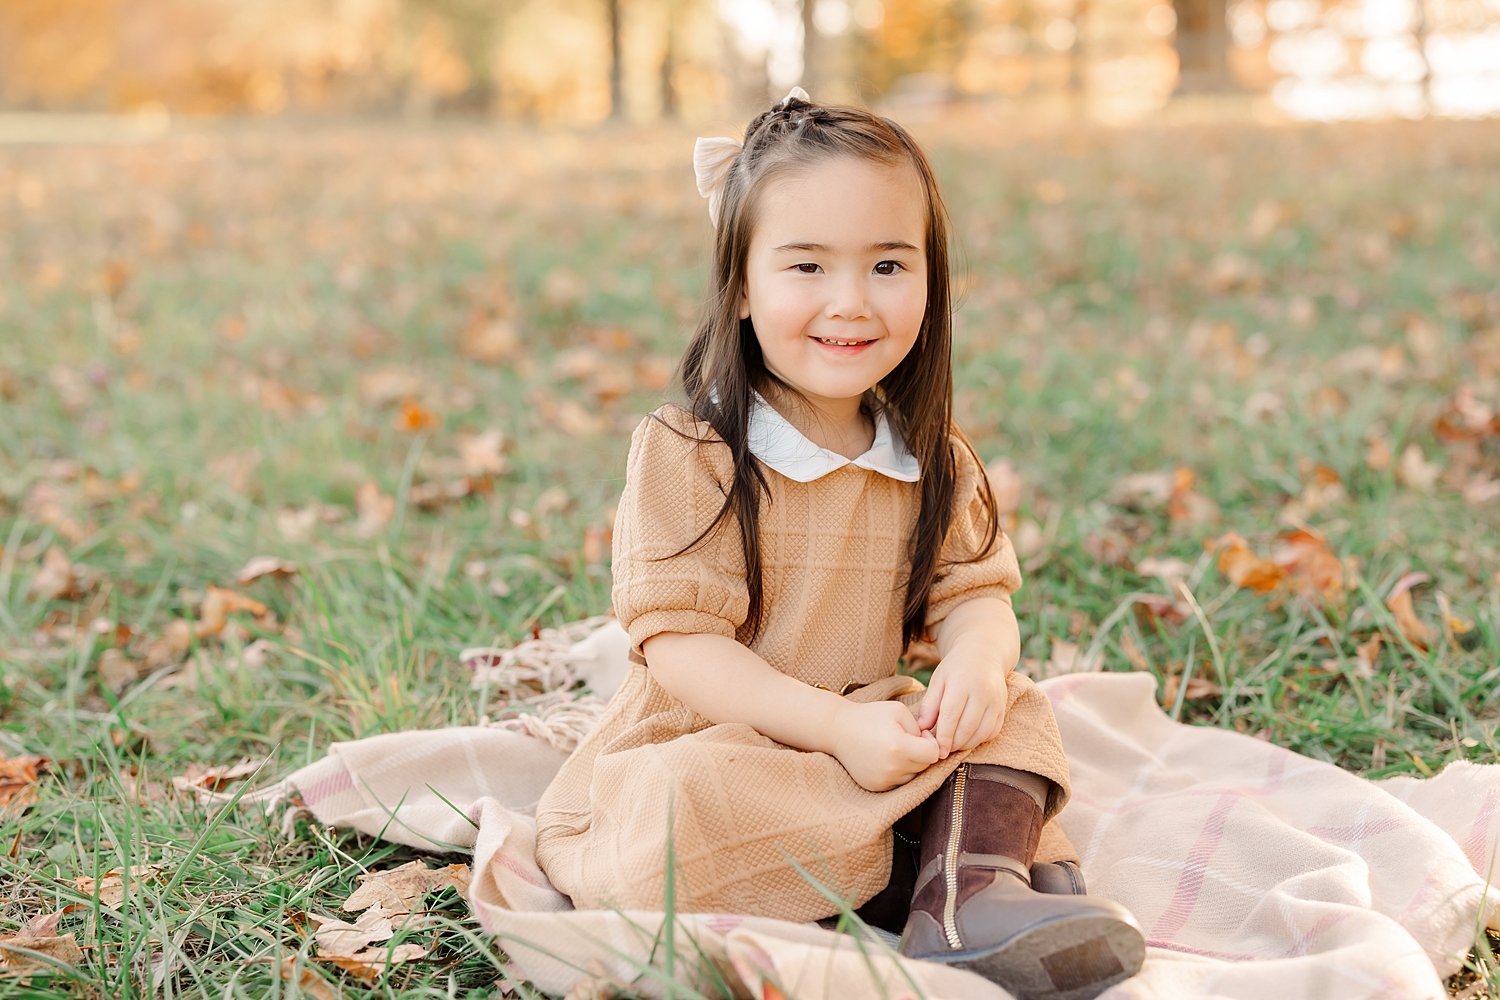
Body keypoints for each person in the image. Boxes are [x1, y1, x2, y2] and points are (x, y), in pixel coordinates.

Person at [534, 88, 1145, 999]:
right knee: (670, 811)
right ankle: (940, 869)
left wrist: (974, 664)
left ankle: (962, 898)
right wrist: (832, 730)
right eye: (808, 267)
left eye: (889, 266)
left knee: (1014, 708)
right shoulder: (692, 453)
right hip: (733, 744)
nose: (851, 303)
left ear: (931, 277)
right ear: (741, 286)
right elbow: (680, 648)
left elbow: (974, 593)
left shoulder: (934, 458)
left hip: (876, 728)